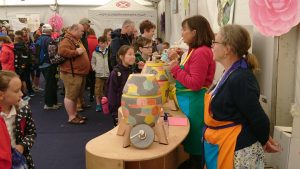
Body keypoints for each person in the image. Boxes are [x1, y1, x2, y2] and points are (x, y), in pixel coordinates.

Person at [203, 24, 278, 169]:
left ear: (228, 49)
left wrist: (263, 140)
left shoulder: (241, 78)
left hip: (239, 152)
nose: (212, 46)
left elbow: (259, 119)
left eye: (215, 42)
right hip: (224, 144)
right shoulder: (229, 72)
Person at [168, 15, 216, 169]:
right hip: (190, 102)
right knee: (192, 145)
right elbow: (190, 74)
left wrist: (175, 67)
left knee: (196, 146)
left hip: (194, 104)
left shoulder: (201, 52)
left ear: (194, 32)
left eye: (184, 30)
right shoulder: (194, 50)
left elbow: (195, 83)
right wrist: (179, 59)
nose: (182, 33)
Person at [0, 70, 37, 169]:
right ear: (1, 95)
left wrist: (22, 146)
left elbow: (31, 132)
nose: (21, 94)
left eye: (21, 89)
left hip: (19, 159)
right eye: (16, 91)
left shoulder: (23, 110)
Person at [58, 24, 90, 124]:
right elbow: (61, 51)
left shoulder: (73, 39)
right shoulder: (67, 40)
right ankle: (71, 117)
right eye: (81, 31)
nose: (83, 33)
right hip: (72, 73)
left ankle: (74, 114)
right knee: (70, 95)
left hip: (76, 72)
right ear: (75, 30)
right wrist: (76, 52)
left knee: (74, 95)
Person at [107, 45, 138, 126]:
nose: (133, 57)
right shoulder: (115, 73)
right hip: (119, 109)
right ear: (121, 56)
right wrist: (115, 113)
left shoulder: (132, 70)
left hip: (131, 107)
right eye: (130, 54)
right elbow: (111, 94)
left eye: (134, 54)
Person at [36, 24, 60, 110]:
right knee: (51, 84)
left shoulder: (38, 39)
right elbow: (52, 55)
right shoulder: (50, 40)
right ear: (50, 31)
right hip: (49, 65)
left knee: (49, 84)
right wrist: (59, 61)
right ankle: (49, 104)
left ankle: (53, 102)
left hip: (42, 64)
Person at [91, 36, 110, 112]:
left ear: (107, 43)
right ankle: (98, 104)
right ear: (98, 43)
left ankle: (106, 103)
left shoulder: (109, 51)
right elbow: (93, 62)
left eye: (104, 43)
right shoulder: (95, 52)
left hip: (108, 74)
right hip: (99, 74)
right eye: (101, 43)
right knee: (98, 90)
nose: (102, 45)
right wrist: (95, 69)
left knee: (107, 89)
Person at [87, 27, 98, 102]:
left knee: (89, 80)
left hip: (87, 63)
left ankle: (90, 95)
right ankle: (93, 95)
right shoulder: (97, 41)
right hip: (96, 64)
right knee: (95, 81)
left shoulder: (85, 41)